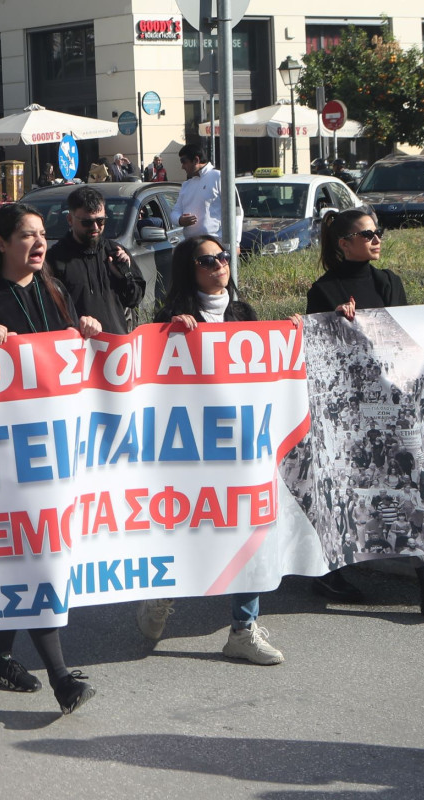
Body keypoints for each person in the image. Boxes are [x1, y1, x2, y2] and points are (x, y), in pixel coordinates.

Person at [0, 203, 101, 714]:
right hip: (1, 454)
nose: (39, 242)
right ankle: (61, 678)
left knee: (27, 557)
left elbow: (70, 363)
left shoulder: (56, 291)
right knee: (34, 554)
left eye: (42, 234)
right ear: (1, 243)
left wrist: (85, 333)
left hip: (54, 450)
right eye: (26, 234)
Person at [304, 209, 424, 615]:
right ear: (344, 243)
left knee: (410, 487)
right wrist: (336, 323)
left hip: (395, 411)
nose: (377, 239)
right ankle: (327, 570)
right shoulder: (324, 290)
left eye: (379, 232)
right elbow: (317, 351)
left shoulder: (388, 281)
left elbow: (407, 337)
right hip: (350, 415)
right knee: (342, 489)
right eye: (368, 234)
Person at [134, 235, 283, 665]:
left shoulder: (244, 314)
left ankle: (243, 628)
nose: (219, 264)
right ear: (189, 269)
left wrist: (287, 336)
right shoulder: (171, 318)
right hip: (190, 450)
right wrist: (169, 336)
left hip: (239, 446)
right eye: (207, 260)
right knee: (186, 528)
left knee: (248, 530)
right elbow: (150, 375)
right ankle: (161, 595)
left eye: (223, 256)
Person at [45, 186, 146, 335]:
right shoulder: (55, 259)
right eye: (87, 222)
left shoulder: (115, 252)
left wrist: (125, 275)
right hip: (79, 349)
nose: (95, 227)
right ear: (70, 220)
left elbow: (134, 299)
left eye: (101, 221)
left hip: (115, 346)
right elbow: (48, 312)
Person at [171, 143, 239, 240]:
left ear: (196, 160)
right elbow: (175, 211)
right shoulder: (186, 185)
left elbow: (236, 211)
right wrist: (180, 220)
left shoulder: (219, 177)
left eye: (184, 161)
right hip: (191, 244)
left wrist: (236, 242)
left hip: (215, 243)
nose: (182, 167)